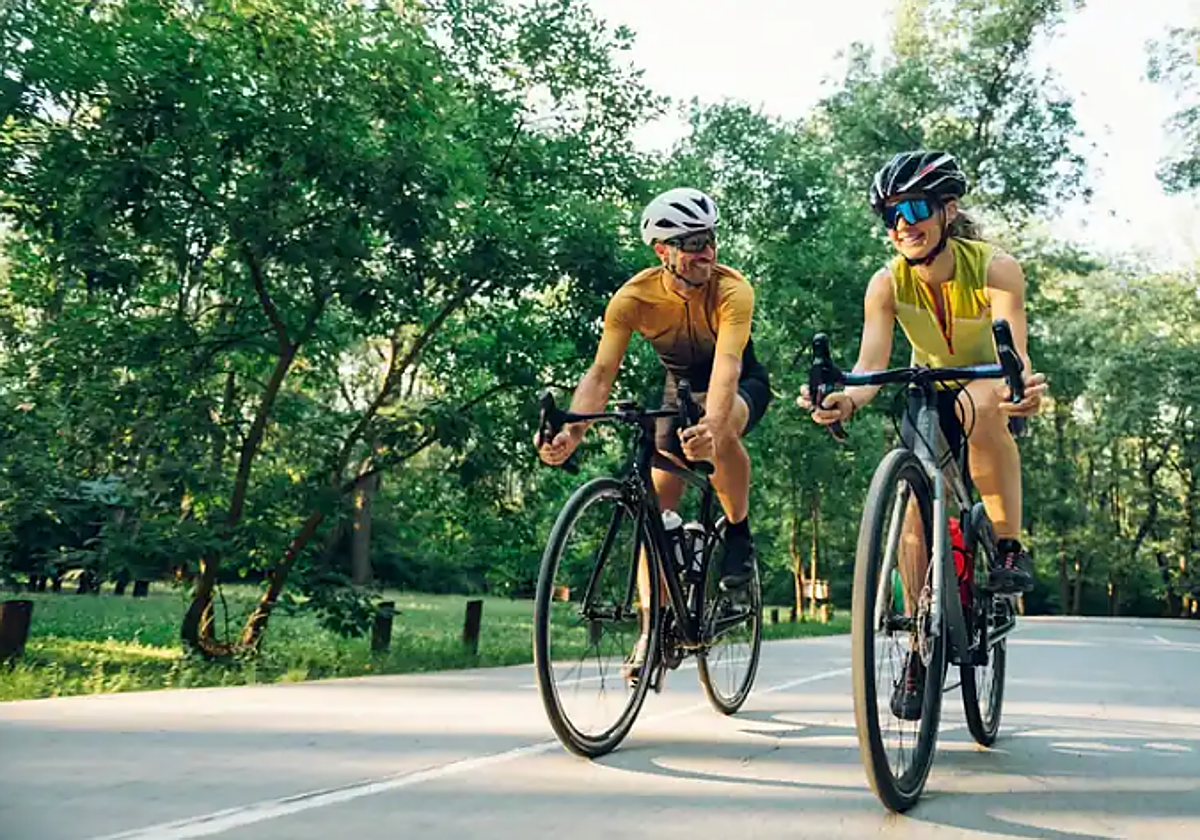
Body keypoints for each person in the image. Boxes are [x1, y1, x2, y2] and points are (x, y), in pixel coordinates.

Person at [798, 150, 1047, 719]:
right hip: (925, 393)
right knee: (912, 508)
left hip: (986, 389)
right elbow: (867, 368)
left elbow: (1016, 352)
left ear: (947, 209)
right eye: (891, 215)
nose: (902, 224)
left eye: (913, 209)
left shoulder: (994, 267)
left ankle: (1008, 545)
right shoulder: (885, 285)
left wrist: (1020, 389)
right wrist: (842, 400)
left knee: (984, 404)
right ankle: (919, 643)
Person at [536, 187, 772, 669]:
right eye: (692, 243)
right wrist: (573, 433)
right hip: (679, 390)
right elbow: (601, 374)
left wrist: (710, 425)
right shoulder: (633, 298)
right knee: (653, 516)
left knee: (720, 430)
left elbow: (727, 366)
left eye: (710, 238)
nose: (706, 251)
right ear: (663, 251)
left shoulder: (733, 290)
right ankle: (652, 628)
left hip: (738, 382)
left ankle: (739, 535)